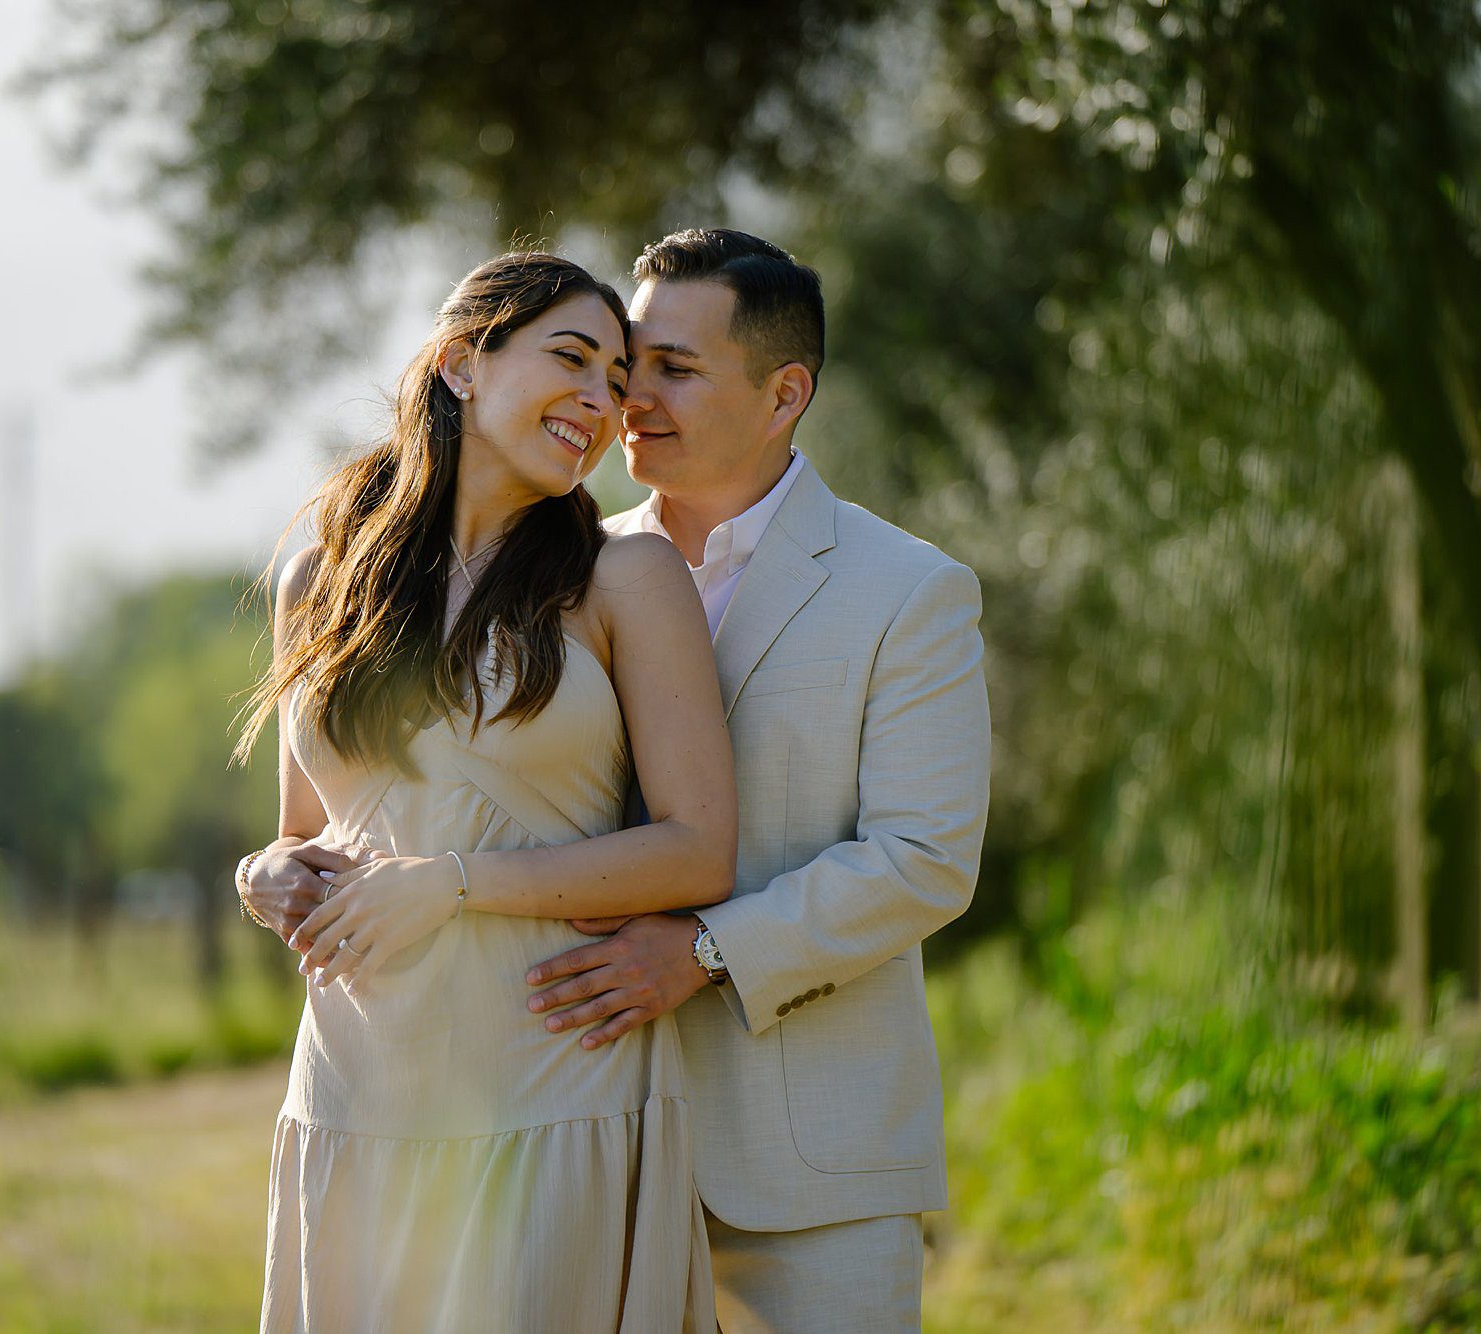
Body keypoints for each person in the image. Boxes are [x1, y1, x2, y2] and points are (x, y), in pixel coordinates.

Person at [232, 251, 734, 1332]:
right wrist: (263, 874)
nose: (602, 401)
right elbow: (301, 834)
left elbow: (698, 849)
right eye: (572, 359)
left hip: (552, 1086)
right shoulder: (318, 580)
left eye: (617, 377)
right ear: (462, 363)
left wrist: (454, 884)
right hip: (356, 1090)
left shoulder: (625, 578)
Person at [522, 229, 992, 1331]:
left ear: (784, 394)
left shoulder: (909, 591)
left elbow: (922, 861)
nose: (630, 396)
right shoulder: (554, 581)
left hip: (811, 1178)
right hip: (584, 1149)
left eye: (674, 368)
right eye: (629, 364)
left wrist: (701, 949)